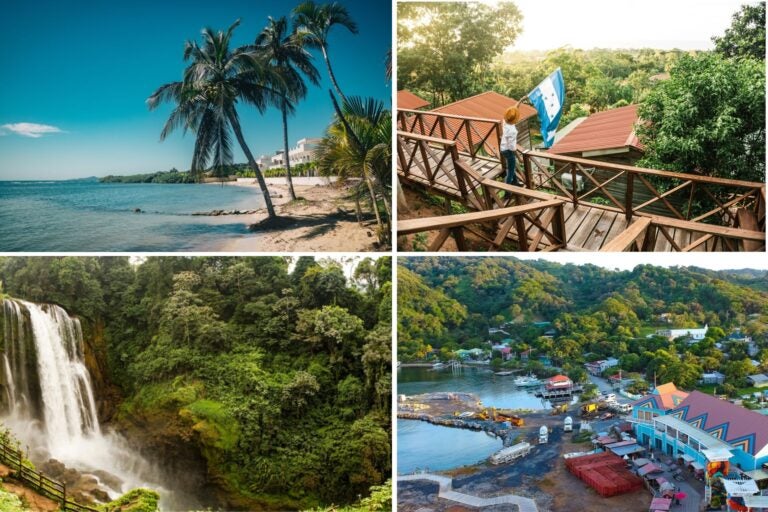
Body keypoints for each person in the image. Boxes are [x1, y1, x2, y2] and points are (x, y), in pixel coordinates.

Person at [500, 106, 522, 186]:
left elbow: (512, 111)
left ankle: (516, 182)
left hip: (503, 149)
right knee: (510, 171)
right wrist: (519, 157)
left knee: (511, 167)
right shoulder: (512, 131)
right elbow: (512, 147)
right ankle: (507, 192)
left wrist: (520, 101)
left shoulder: (505, 122)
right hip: (509, 151)